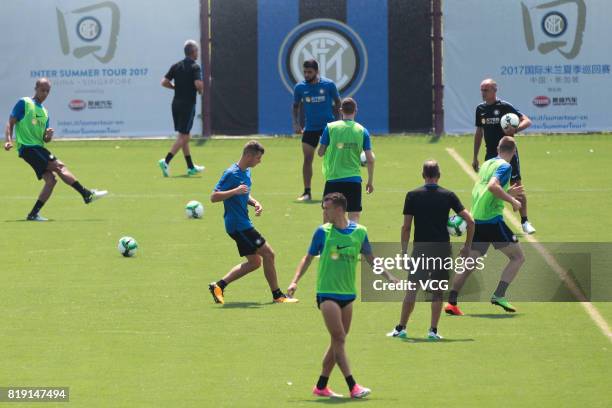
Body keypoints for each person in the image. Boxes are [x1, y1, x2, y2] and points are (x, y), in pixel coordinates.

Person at [287, 193, 396, 399]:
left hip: (348, 294)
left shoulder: (360, 233)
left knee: (339, 340)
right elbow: (308, 258)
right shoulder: (322, 232)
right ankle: (353, 386)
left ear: (339, 209)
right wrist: (294, 281)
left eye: (326, 208)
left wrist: (389, 276)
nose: (324, 212)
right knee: (339, 338)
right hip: (327, 293)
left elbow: (371, 259)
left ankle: (321, 386)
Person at [386, 160, 474, 340]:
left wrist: (403, 253)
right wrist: (467, 246)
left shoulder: (412, 195)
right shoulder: (448, 195)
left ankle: (401, 328)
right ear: (439, 175)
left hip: (420, 250)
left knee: (411, 290)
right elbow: (471, 221)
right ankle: (433, 331)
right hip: (442, 250)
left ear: (423, 175)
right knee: (437, 292)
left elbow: (406, 227)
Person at [4, 78, 107, 221]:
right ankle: (86, 194)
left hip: (38, 148)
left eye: (48, 91)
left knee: (51, 180)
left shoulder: (45, 112)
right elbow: (10, 123)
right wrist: (8, 140)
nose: (45, 93)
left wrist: (48, 135)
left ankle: (33, 214)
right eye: (42, 90)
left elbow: (45, 140)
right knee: (59, 166)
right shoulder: (25, 103)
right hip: (28, 148)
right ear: (36, 89)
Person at [208, 141, 298, 304]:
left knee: (255, 262)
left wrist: (255, 202)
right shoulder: (231, 173)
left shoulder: (247, 172)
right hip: (239, 225)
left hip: (241, 223)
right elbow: (214, 197)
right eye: (258, 157)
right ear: (248, 156)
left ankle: (218, 286)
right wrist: (235, 190)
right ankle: (277, 295)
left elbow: (244, 194)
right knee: (269, 254)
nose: (260, 161)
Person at [445, 136, 526, 316]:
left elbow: (486, 190)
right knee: (518, 257)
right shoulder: (506, 166)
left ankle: (451, 302)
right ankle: (499, 295)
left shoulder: (488, 163)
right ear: (513, 152)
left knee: (469, 264)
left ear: (498, 148)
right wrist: (512, 199)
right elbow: (491, 187)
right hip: (492, 221)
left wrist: (506, 192)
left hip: (477, 219)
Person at [473, 78, 535, 234]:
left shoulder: (505, 107)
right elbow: (479, 132)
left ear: (494, 90)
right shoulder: (480, 109)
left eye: (486, 90)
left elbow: (527, 121)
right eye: (482, 90)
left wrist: (515, 130)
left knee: (517, 185)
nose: (483, 93)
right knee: (489, 188)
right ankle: (487, 221)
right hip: (491, 155)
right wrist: (475, 156)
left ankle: (525, 221)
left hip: (508, 152)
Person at [318, 98, 374, 223]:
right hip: (353, 180)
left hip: (333, 179)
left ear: (341, 110)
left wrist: (324, 143)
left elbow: (320, 153)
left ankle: (328, 242)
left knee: (328, 216)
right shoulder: (362, 131)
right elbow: (370, 159)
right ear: (356, 111)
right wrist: (370, 182)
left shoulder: (330, 128)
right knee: (354, 216)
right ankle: (352, 242)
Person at [292, 59, 341, 201]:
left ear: (317, 71)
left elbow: (338, 102)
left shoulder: (328, 85)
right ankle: (307, 193)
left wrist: (338, 121)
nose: (306, 75)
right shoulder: (300, 88)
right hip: (310, 128)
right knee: (307, 159)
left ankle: (335, 193)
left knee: (332, 160)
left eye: (310, 72)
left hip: (328, 127)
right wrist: (296, 123)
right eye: (305, 72)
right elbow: (295, 106)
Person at [159, 40, 205, 177]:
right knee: (185, 136)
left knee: (184, 135)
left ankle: (190, 167)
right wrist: (201, 90)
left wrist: (175, 88)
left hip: (176, 104)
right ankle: (166, 161)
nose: (198, 53)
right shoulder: (195, 67)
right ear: (193, 52)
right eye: (197, 50)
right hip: (187, 104)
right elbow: (198, 84)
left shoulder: (176, 66)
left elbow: (164, 82)